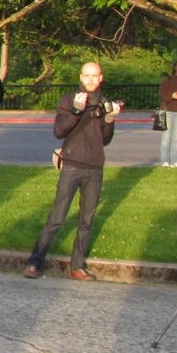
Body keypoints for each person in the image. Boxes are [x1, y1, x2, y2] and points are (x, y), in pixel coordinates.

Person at [24, 61, 122, 280]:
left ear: (101, 78)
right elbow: (59, 131)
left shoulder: (105, 103)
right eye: (86, 75)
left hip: (94, 167)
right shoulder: (69, 100)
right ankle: (34, 262)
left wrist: (110, 119)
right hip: (72, 164)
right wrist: (76, 111)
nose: (90, 80)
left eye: (94, 76)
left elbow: (104, 140)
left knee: (86, 221)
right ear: (81, 77)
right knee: (57, 217)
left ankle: (77, 266)